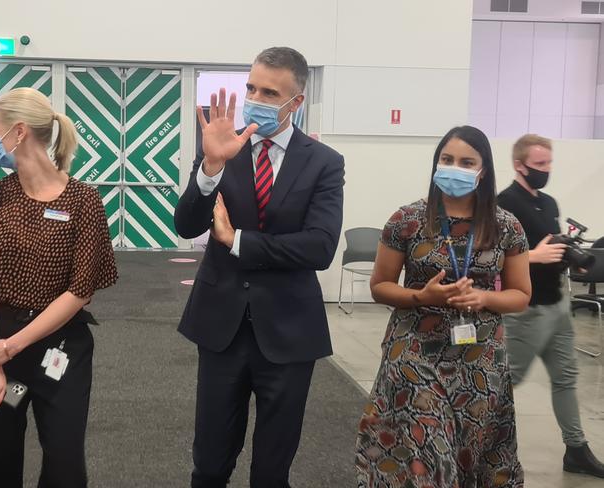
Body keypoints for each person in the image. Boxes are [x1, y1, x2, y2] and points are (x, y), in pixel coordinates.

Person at [174, 46, 344, 488]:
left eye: (269, 92)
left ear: (296, 103)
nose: (254, 98)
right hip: (220, 325)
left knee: (271, 471)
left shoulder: (324, 162)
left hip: (289, 331)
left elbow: (320, 247)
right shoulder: (224, 146)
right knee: (209, 464)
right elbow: (186, 223)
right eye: (250, 87)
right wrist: (211, 166)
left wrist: (240, 242)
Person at [0, 87, 118, 488]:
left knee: (65, 466)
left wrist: (11, 348)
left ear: (20, 132)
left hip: (58, 348)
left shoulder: (83, 201)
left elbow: (81, 291)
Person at [356, 126, 531, 487]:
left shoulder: (506, 226)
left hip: (479, 359)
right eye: (447, 160)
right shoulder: (406, 220)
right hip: (414, 352)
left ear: (483, 170)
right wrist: (422, 296)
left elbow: (521, 294)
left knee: (470, 449)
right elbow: (380, 286)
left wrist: (483, 298)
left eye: (467, 162)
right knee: (425, 444)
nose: (455, 167)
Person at [497, 134, 604, 478]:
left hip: (558, 305)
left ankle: (576, 449)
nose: (546, 170)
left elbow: (553, 252)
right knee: (505, 382)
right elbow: (493, 258)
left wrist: (567, 258)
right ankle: (478, 445)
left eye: (548, 163)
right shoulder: (504, 205)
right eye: (539, 164)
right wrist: (534, 255)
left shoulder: (549, 203)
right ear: (520, 165)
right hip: (525, 311)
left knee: (566, 379)